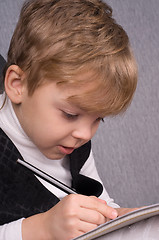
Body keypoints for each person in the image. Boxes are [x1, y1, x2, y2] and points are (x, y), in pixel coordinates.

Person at [0, 0, 137, 239]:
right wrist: (43, 228)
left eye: (98, 119)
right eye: (70, 114)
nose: (85, 133)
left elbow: (101, 204)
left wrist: (128, 220)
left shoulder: (73, 139)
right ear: (17, 85)